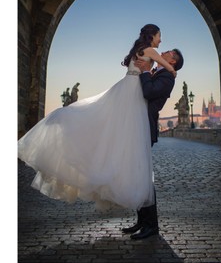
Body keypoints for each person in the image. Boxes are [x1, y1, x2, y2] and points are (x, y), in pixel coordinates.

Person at [18, 24, 179, 230]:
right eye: (159, 36)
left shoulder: (141, 51)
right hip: (131, 97)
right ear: (151, 36)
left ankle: (146, 223)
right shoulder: (150, 51)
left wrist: (162, 69)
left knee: (116, 139)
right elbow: (167, 66)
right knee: (129, 152)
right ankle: (145, 222)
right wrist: (172, 70)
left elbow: (156, 74)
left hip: (127, 94)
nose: (161, 41)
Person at [121, 45, 183, 240]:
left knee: (145, 177)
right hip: (136, 126)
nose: (163, 53)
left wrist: (146, 72)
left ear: (173, 61)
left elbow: (148, 92)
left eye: (169, 53)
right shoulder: (158, 71)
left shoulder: (167, 78)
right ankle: (142, 220)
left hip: (145, 129)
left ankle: (152, 225)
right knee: (137, 175)